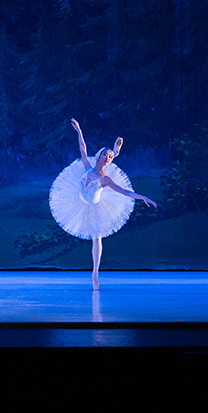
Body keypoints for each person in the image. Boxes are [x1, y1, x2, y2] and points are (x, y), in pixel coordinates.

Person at [49, 118, 155, 290]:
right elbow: (82, 148)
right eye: (105, 155)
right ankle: (94, 272)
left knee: (97, 237)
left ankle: (95, 272)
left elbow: (124, 191)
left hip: (96, 205)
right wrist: (79, 130)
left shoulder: (105, 179)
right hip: (78, 199)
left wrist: (142, 197)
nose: (107, 158)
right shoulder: (87, 167)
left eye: (110, 157)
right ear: (99, 156)